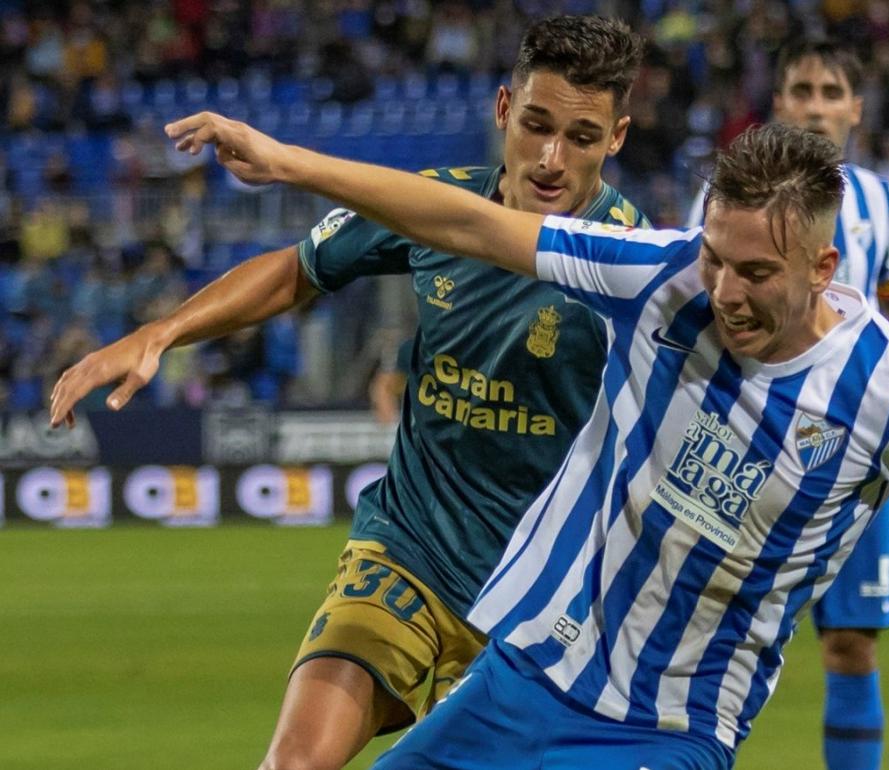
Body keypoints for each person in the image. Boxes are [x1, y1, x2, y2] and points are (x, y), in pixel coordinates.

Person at [163, 112, 889, 770]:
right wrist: (290, 162)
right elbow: (470, 224)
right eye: (719, 258)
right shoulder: (663, 275)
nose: (727, 290)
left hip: (673, 724)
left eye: (758, 272)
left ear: (822, 264)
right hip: (526, 672)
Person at [48, 16, 648, 770]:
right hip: (408, 551)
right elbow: (299, 265)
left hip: (533, 598)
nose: (552, 159)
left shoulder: (633, 263)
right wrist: (160, 332)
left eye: (583, 137)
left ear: (617, 138)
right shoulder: (433, 207)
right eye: (536, 125)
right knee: (292, 764)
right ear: (503, 110)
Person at [687, 39, 889, 769]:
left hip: (849, 449)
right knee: (701, 633)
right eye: (801, 89)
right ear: (779, 105)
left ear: (856, 109)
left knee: (851, 643)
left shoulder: (879, 203)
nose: (815, 104)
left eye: (831, 91)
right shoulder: (726, 197)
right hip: (743, 440)